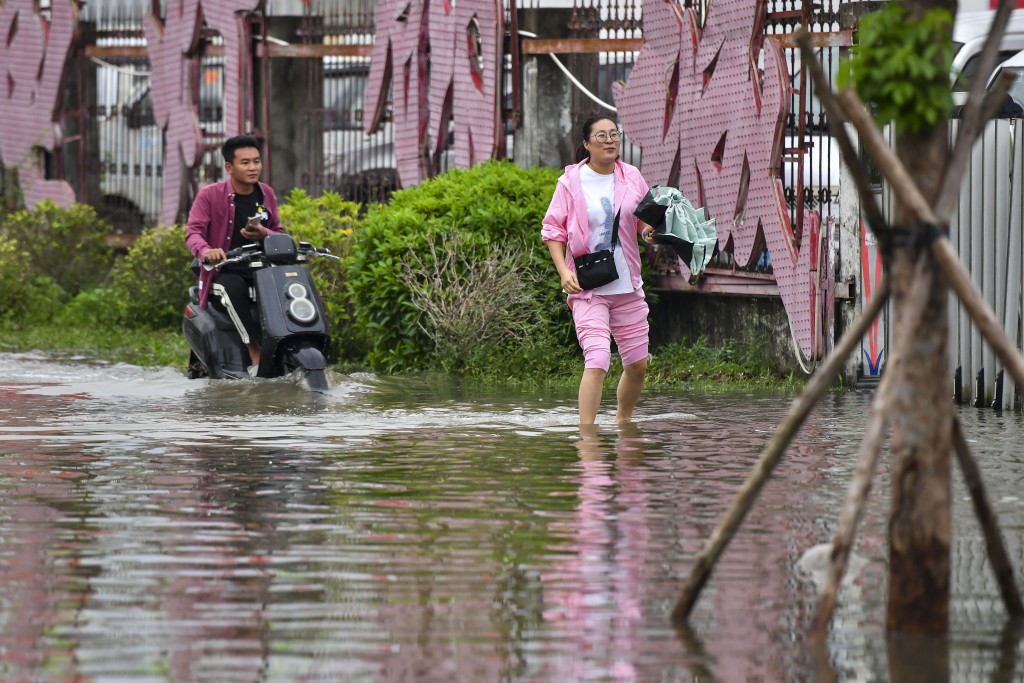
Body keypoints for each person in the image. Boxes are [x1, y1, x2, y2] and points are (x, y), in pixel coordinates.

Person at [541, 115, 656, 425]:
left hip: (627, 286)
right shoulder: (570, 182)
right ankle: (587, 437)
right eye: (602, 136)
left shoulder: (632, 176)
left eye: (614, 134)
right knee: (598, 359)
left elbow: (644, 221)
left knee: (637, 365)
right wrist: (564, 273)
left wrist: (649, 233)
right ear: (587, 144)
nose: (610, 140)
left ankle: (623, 423)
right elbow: (553, 230)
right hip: (588, 287)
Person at [185, 135, 283, 370]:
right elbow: (193, 233)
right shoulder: (209, 195)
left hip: (261, 267)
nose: (253, 168)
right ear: (229, 167)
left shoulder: (266, 193)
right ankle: (253, 351)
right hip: (223, 271)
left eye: (257, 161)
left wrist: (264, 234)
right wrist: (207, 251)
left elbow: (278, 230)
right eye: (245, 162)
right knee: (234, 287)